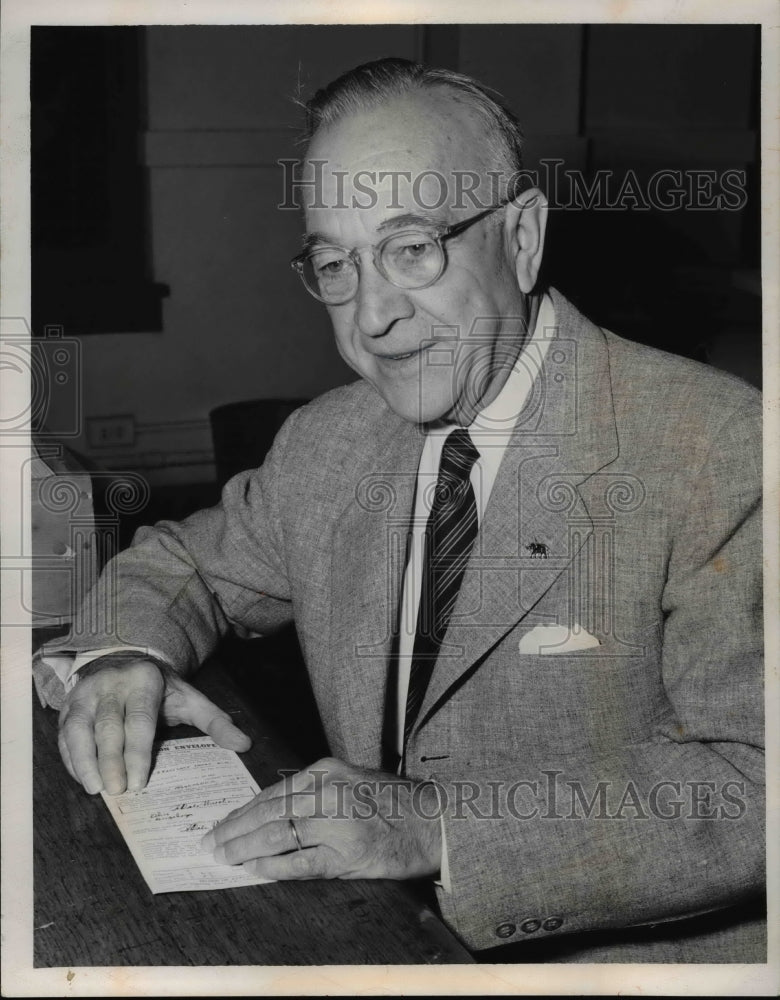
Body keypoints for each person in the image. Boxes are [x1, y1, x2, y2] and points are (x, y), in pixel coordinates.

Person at [35, 58, 765, 962]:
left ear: (523, 237)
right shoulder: (331, 440)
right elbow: (186, 561)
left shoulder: (723, 447)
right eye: (336, 264)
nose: (372, 316)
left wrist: (440, 829)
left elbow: (756, 782)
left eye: (412, 247)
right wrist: (122, 656)